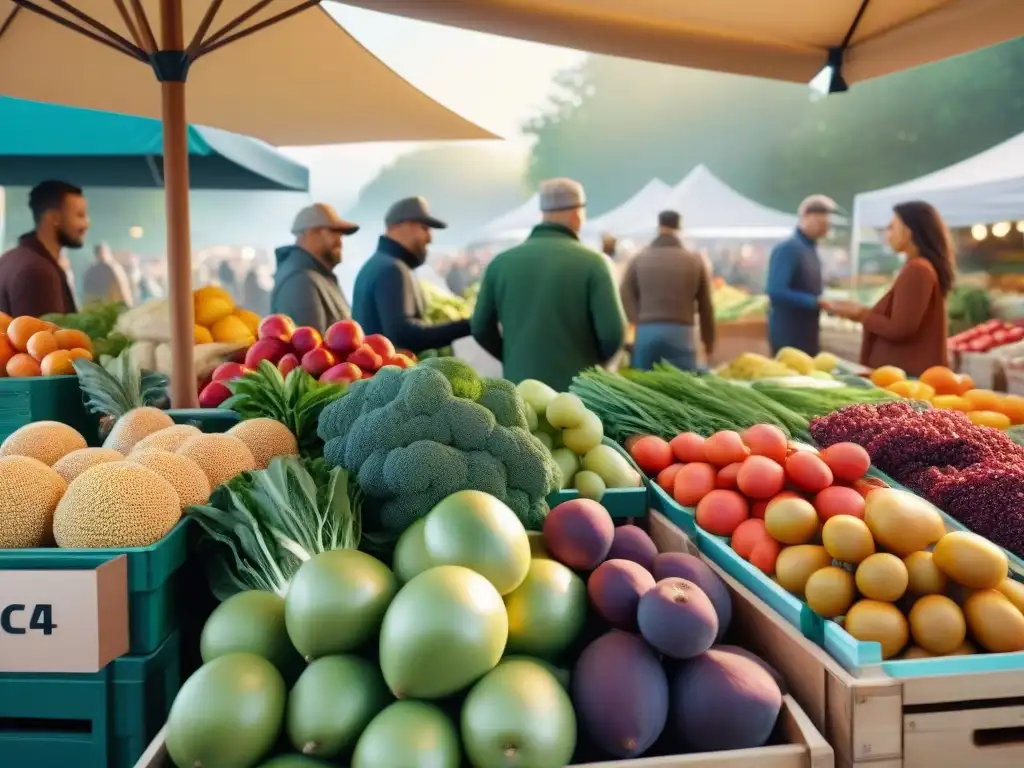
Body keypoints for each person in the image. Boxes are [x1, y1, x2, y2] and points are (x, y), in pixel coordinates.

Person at [471, 178, 626, 390]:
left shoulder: (500, 263)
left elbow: (479, 327)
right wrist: (592, 365)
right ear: (577, 216)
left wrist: (512, 356)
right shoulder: (595, 263)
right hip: (581, 393)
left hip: (521, 392)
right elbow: (613, 334)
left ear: (543, 214)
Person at [828, 201, 954, 376]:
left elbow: (900, 329)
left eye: (891, 227)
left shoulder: (917, 269)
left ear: (909, 231)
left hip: (905, 379)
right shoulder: (918, 267)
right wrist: (859, 313)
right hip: (901, 377)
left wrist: (860, 313)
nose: (887, 234)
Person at [352, 197, 469, 353]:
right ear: (402, 225)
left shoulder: (376, 263)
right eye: (425, 228)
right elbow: (405, 335)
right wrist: (469, 326)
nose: (430, 238)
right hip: (390, 374)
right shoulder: (392, 269)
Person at [620, 210, 715, 371]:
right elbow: (706, 307)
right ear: (679, 230)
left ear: (658, 227)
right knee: (681, 388)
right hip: (681, 333)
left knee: (642, 388)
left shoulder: (639, 259)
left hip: (647, 332)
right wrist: (709, 343)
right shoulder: (694, 261)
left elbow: (624, 293)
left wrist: (637, 319)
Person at [765, 194, 838, 356]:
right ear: (805, 218)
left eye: (827, 224)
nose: (825, 228)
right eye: (820, 223)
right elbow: (775, 291)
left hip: (808, 332)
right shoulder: (788, 249)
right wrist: (814, 302)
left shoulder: (811, 249)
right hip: (788, 334)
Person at [0, 179, 85, 317]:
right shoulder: (37, 270)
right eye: (80, 215)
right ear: (55, 218)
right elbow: (46, 336)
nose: (86, 224)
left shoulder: (11, 257)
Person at [271, 203, 358, 332]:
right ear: (311, 233)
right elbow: (308, 347)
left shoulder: (316, 277)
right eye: (333, 233)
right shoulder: (300, 281)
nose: (340, 242)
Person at [82, 243, 133, 307]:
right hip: (100, 306)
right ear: (97, 255)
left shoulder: (116, 268)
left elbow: (123, 289)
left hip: (117, 304)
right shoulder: (91, 272)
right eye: (101, 253)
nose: (103, 255)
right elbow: (89, 292)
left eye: (105, 252)